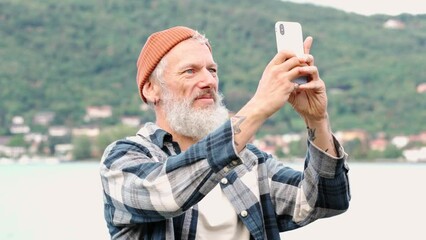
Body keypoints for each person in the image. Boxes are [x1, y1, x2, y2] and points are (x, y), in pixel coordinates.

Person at [100, 26, 350, 240]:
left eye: (212, 70)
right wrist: (259, 105)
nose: (208, 81)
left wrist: (317, 119)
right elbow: (169, 195)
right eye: (190, 71)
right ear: (151, 90)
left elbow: (325, 201)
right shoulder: (123, 159)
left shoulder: (251, 162)